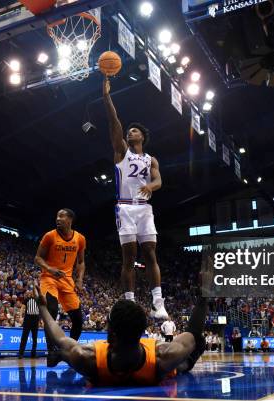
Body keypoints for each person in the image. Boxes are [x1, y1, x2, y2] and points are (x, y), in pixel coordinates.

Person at [33, 278, 207, 386]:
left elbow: (60, 339)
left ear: (110, 334)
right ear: (142, 333)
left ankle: (60, 357)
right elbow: (192, 335)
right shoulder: (164, 355)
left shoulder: (87, 357)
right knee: (189, 355)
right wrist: (203, 294)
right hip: (154, 362)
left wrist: (42, 307)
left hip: (105, 361)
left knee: (66, 352)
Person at [102, 77, 167, 320]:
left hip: (144, 208)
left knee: (151, 253)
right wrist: (107, 96)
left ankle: (157, 302)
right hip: (125, 208)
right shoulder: (121, 151)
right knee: (129, 258)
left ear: (143, 136)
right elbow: (113, 121)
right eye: (129, 130)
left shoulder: (151, 159)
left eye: (135, 130)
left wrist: (151, 186)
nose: (130, 131)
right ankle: (129, 302)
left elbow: (159, 180)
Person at [34, 209, 86, 367]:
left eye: (62, 216)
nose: (58, 219)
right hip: (49, 278)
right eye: (57, 216)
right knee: (52, 310)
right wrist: (50, 269)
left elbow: (81, 262)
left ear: (70, 220)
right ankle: (52, 352)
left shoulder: (80, 239)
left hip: (67, 280)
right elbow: (37, 258)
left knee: (78, 320)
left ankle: (70, 350)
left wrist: (80, 280)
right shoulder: (49, 236)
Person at [19, 289, 40, 358]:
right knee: (24, 337)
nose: (33, 293)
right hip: (28, 319)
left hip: (35, 319)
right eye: (32, 292)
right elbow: (22, 308)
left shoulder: (38, 299)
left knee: (35, 338)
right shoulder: (27, 299)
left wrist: (41, 320)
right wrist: (20, 317)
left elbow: (41, 310)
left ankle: (33, 354)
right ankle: (21, 354)